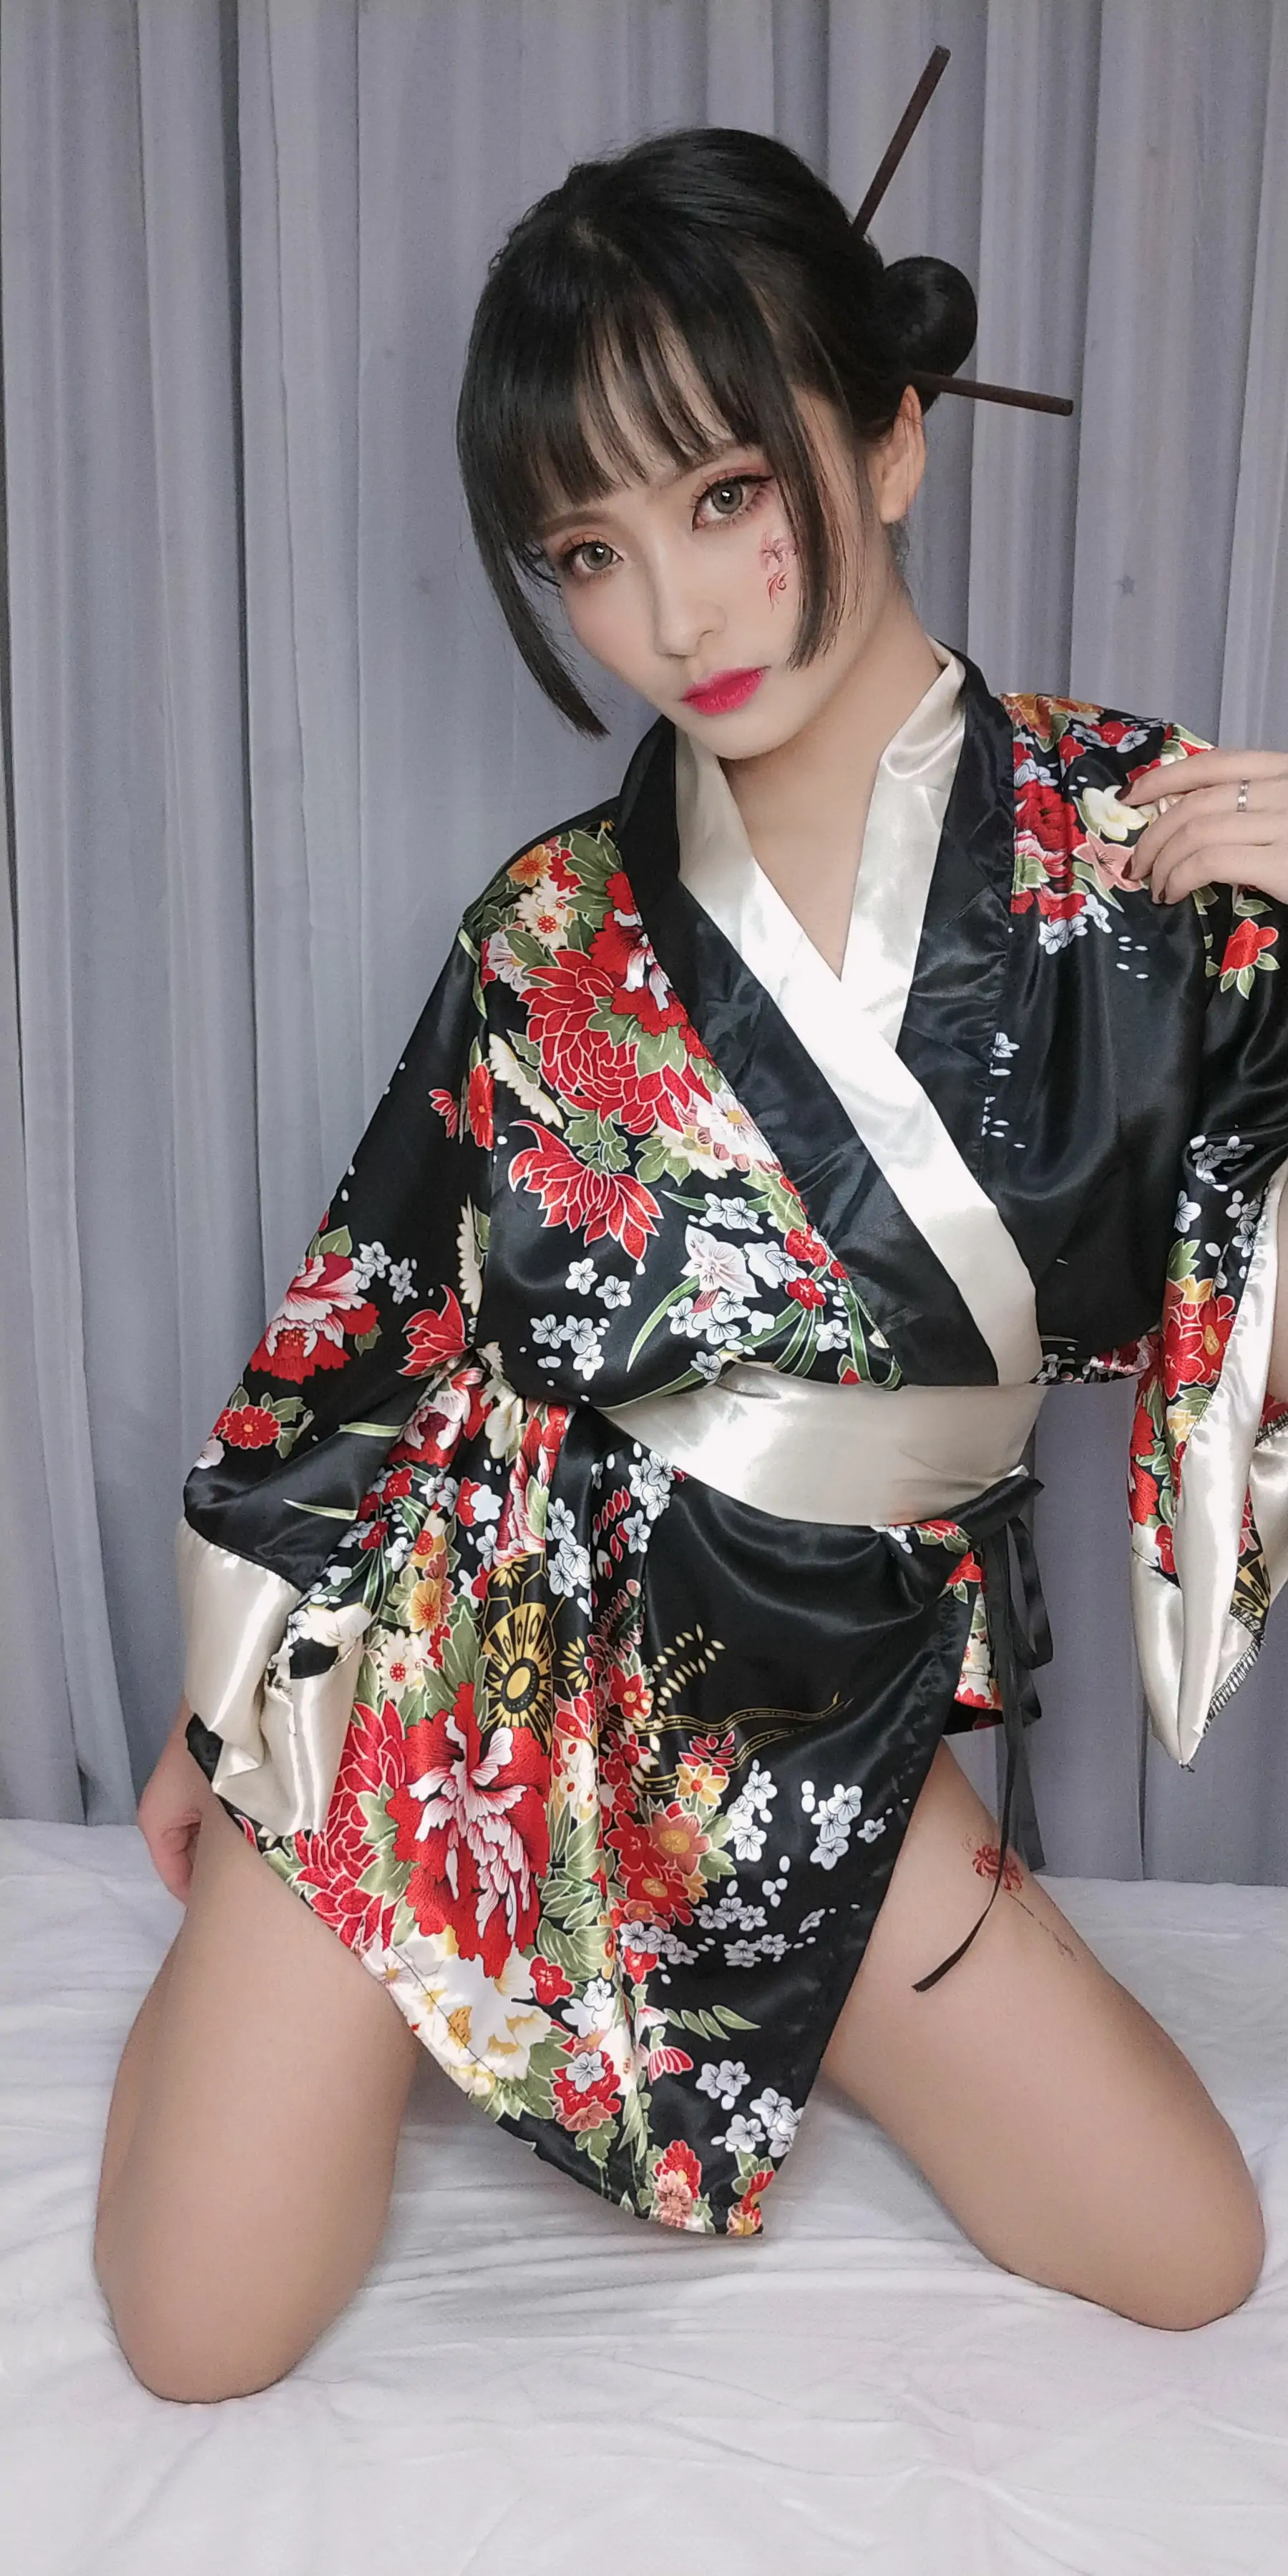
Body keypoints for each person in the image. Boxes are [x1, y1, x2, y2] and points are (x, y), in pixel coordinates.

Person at [94, 127, 1288, 2403]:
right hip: (469, 1629)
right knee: (200, 2333)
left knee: (1190, 2252)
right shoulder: (550, 925)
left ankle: (678, 1940)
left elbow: (1251, 1322)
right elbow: (381, 1312)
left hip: (809, 1693)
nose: (675, 614)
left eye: (730, 494)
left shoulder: (1152, 858)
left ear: (892, 439)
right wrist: (228, 1706)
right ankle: (306, 1887)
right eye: (590, 549)